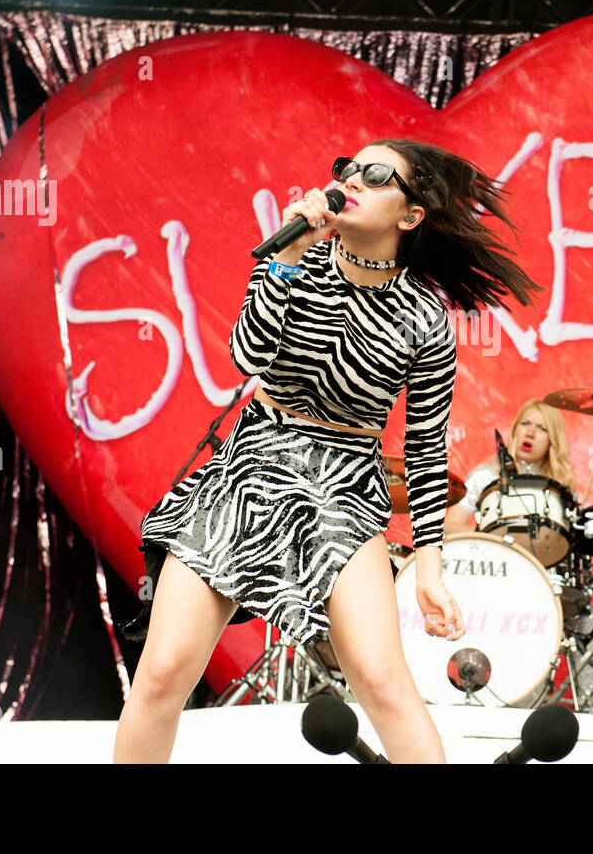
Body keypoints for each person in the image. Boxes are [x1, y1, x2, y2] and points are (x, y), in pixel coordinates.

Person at [113, 139, 540, 764]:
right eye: (346, 169)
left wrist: (428, 568)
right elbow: (247, 359)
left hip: (343, 490)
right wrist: (283, 262)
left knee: (384, 682)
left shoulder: (424, 317)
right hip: (249, 468)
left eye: (375, 175)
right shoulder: (296, 263)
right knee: (162, 671)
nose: (351, 181)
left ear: (410, 215)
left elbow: (423, 447)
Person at [444, 398, 578, 536]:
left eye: (542, 428)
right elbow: (449, 527)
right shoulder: (486, 475)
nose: (530, 433)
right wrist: (492, 535)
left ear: (553, 440)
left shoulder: (562, 484)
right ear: (514, 430)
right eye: (525, 424)